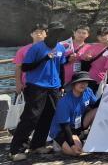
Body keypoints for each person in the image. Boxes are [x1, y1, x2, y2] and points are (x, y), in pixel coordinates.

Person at [10, 22, 67, 161]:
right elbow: (26, 68)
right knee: (31, 117)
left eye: (60, 32)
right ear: (48, 32)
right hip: (36, 86)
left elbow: (61, 67)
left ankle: (37, 145)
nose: (57, 35)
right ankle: (16, 149)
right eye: (55, 32)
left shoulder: (60, 47)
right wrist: (45, 58)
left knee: (49, 115)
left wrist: (62, 85)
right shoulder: (36, 48)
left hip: (54, 87)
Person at [48, 71, 99, 156]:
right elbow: (65, 126)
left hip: (76, 125)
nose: (83, 84)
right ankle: (60, 142)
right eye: (80, 82)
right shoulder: (64, 102)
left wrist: (105, 95)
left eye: (85, 82)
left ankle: (91, 138)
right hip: (62, 129)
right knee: (76, 152)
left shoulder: (88, 91)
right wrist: (72, 145)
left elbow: (97, 105)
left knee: (97, 110)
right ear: (73, 84)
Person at [13, 24, 47, 95]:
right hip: (29, 84)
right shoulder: (22, 50)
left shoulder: (52, 49)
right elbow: (18, 67)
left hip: (48, 84)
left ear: (46, 34)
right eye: (36, 32)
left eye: (41, 32)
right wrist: (18, 84)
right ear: (31, 34)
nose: (38, 34)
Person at [80, 27, 108, 92]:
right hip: (91, 78)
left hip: (107, 80)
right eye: (100, 35)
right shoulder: (92, 46)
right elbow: (82, 57)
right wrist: (86, 57)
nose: (103, 37)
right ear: (97, 37)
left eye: (105, 34)